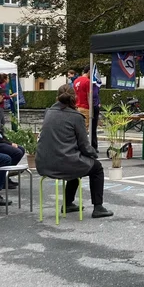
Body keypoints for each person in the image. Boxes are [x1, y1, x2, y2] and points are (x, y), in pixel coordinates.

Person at [36, 84, 112, 218]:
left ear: (57, 98)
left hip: (44, 163)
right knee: (96, 167)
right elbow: (84, 146)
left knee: (78, 161)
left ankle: (68, 203)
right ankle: (98, 207)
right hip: (65, 163)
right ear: (74, 98)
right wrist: (94, 154)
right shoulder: (76, 117)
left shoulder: (48, 112)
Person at [73, 67, 91, 131]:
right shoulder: (88, 81)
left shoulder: (76, 81)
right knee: (84, 129)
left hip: (77, 107)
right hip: (85, 107)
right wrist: (91, 109)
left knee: (77, 129)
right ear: (89, 71)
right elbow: (89, 96)